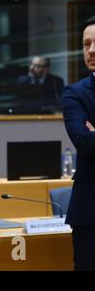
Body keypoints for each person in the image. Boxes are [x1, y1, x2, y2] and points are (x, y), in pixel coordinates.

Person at [62, 15, 95, 271]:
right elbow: (85, 141)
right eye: (86, 44)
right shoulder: (75, 93)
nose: (91, 50)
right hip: (90, 215)